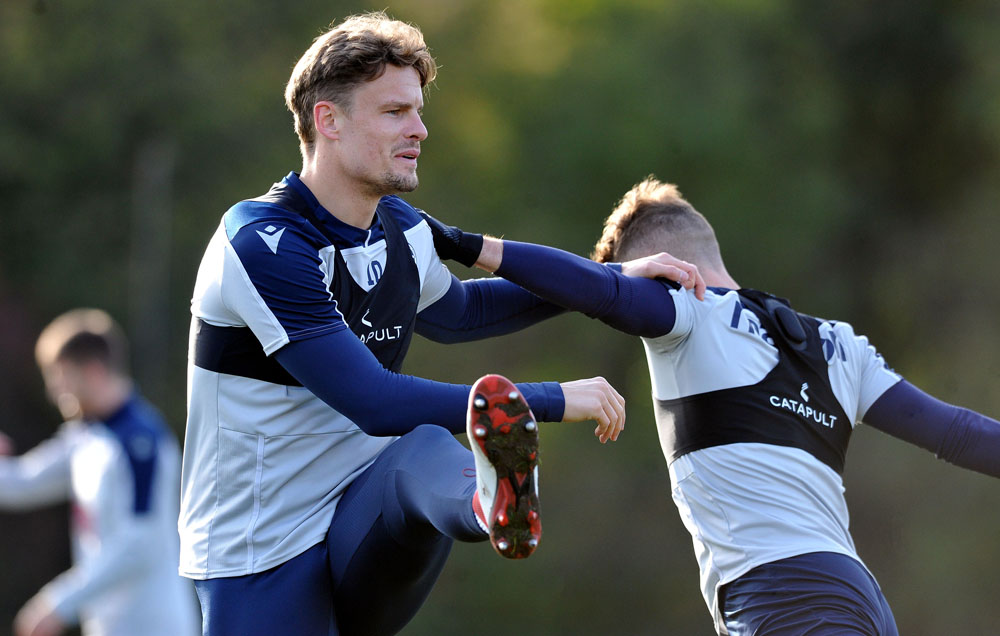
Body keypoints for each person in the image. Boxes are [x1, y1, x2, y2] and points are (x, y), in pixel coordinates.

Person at [180, 12, 700, 636]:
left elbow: (462, 313)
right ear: (328, 121)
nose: (420, 130)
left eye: (419, 112)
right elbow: (373, 402)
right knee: (414, 428)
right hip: (259, 551)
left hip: (365, 519)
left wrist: (607, 279)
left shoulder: (401, 227)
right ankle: (486, 484)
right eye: (395, 112)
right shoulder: (263, 244)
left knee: (422, 447)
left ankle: (489, 504)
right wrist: (550, 399)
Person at [425, 176, 1000, 635]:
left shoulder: (690, 311)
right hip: (859, 596)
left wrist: (464, 245)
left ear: (663, 269)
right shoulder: (838, 344)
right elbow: (962, 434)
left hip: (783, 597)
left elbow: (599, 289)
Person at [0, 308, 199, 636]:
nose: (55, 391)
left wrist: (58, 603)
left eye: (61, 377)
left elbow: (140, 542)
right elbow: (22, 482)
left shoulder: (142, 441)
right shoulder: (85, 437)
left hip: (155, 625)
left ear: (93, 371)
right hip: (108, 626)